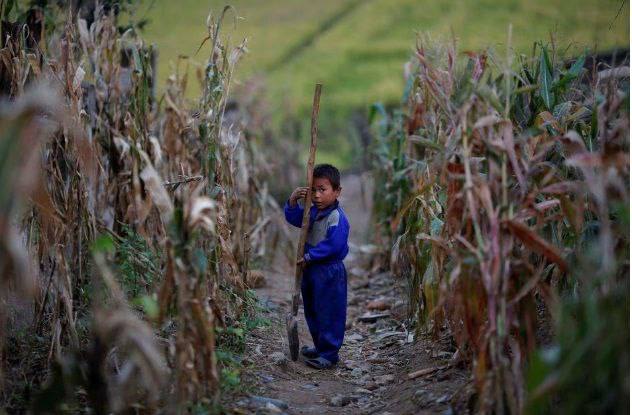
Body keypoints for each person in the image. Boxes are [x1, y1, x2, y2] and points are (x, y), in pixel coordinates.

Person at [284, 164, 350, 369]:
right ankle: (320, 346)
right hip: (311, 269)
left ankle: (330, 354)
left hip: (329, 271)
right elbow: (297, 220)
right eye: (313, 190)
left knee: (329, 310)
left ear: (337, 191)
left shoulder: (336, 217)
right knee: (313, 309)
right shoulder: (312, 213)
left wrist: (311, 255)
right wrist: (293, 201)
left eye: (323, 190)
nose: (317, 195)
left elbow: (335, 245)